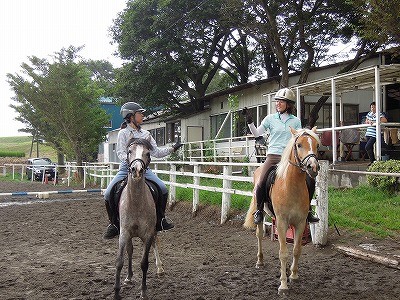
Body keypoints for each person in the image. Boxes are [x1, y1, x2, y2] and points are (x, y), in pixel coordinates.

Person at [103, 102, 183, 239]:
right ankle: (114, 224)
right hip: (126, 168)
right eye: (140, 113)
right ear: (131, 116)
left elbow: (156, 152)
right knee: (108, 193)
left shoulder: (146, 134)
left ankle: (161, 220)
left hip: (145, 170)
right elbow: (121, 153)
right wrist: (132, 163)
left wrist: (172, 149)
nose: (143, 115)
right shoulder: (123, 133)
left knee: (163, 188)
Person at [244, 87, 319, 225]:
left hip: (290, 159)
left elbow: (299, 138)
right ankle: (259, 210)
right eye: (277, 101)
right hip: (273, 156)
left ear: (288, 104)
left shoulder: (295, 121)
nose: (277, 103)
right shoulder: (270, 118)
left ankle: (307, 211)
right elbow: (257, 133)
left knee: (310, 181)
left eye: (281, 101)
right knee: (261, 182)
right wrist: (250, 122)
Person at [364, 101, 387, 166]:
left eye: (374, 107)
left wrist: (374, 121)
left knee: (367, 147)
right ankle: (372, 162)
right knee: (370, 147)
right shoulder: (369, 113)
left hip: (374, 134)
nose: (373, 108)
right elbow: (366, 121)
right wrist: (368, 121)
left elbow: (385, 120)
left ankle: (373, 161)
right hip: (368, 133)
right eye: (372, 107)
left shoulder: (379, 114)